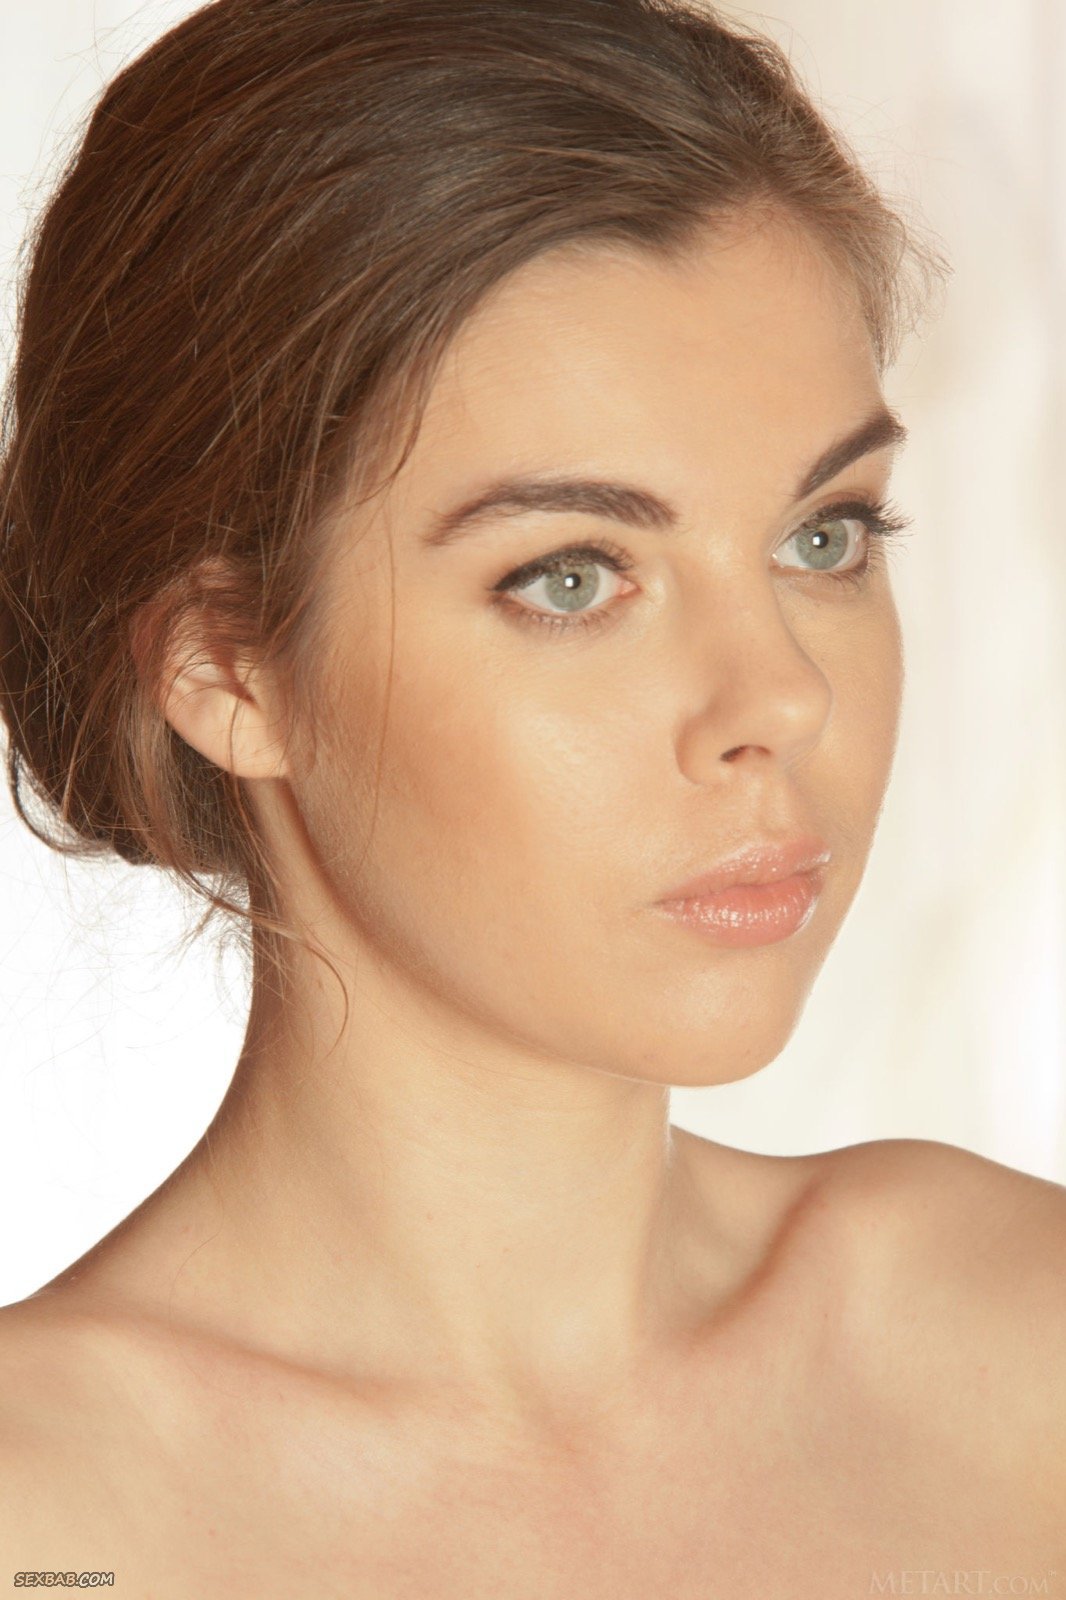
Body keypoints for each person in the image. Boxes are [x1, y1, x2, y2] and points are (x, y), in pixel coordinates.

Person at [0, 0, 1062, 1589]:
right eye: (572, 576)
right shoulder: (47, 1520)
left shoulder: (1018, 1345)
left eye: (822, 536)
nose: (781, 696)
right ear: (228, 667)